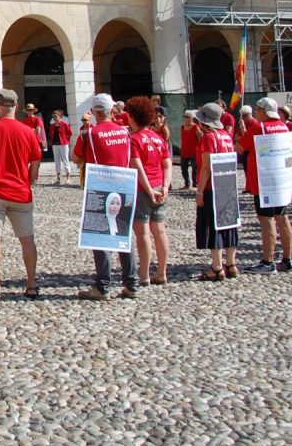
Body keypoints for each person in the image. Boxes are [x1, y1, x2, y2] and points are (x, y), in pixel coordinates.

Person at [0, 89, 43, 301]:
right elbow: (36, 161)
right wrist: (28, 181)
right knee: (27, 239)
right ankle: (31, 285)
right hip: (21, 192)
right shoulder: (27, 131)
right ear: (16, 106)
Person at [73, 93, 139, 300]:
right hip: (124, 183)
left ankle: (102, 286)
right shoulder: (125, 132)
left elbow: (75, 157)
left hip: (99, 184)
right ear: (112, 111)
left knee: (100, 237)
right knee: (124, 235)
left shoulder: (88, 134)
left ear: (94, 112)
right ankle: (132, 284)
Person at [242, 97, 292, 275]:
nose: (256, 112)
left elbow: (241, 147)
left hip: (264, 181)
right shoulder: (283, 126)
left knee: (266, 221)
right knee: (282, 217)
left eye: (257, 109)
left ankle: (267, 261)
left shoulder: (259, 128)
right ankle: (287, 259)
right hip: (281, 180)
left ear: (263, 111)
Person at [126, 96, 172, 286]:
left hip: (142, 190)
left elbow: (137, 166)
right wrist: (164, 187)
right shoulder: (158, 138)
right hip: (159, 187)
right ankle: (161, 272)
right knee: (160, 231)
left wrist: (148, 190)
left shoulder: (135, 139)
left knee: (143, 233)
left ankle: (144, 274)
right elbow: (167, 164)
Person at [192, 102, 238, 281]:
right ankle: (231, 263)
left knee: (214, 226)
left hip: (212, 187)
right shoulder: (226, 135)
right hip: (227, 184)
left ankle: (217, 267)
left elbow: (205, 167)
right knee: (229, 224)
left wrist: (200, 191)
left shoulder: (208, 138)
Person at [48, 110, 72, 185]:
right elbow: (51, 134)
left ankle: (68, 177)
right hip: (55, 144)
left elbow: (69, 133)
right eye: (53, 117)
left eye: (56, 116)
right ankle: (58, 178)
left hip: (63, 144)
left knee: (65, 159)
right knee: (56, 160)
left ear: (59, 116)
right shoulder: (52, 126)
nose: (54, 118)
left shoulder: (64, 124)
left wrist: (66, 141)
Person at [179, 110, 198, 190]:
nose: (185, 118)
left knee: (195, 169)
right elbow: (182, 137)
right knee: (183, 169)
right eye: (185, 116)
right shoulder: (182, 127)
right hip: (184, 151)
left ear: (192, 118)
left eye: (187, 117)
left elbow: (200, 137)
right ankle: (187, 184)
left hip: (194, 152)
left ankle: (195, 185)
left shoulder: (195, 127)